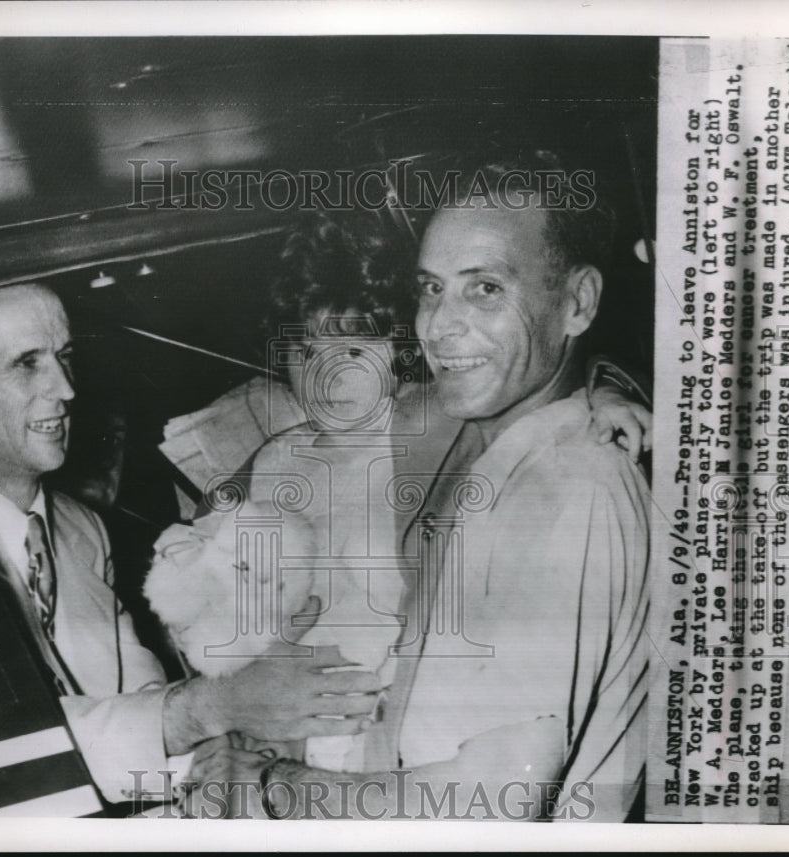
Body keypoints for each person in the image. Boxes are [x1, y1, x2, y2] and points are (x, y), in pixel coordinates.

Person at [189, 157, 650, 822]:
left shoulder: (569, 480)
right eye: (431, 290)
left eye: (485, 288)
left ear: (578, 301)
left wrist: (270, 784)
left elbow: (494, 801)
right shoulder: (483, 435)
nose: (440, 325)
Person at [0, 282, 382, 812]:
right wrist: (204, 711)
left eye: (64, 357)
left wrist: (206, 761)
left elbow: (131, 689)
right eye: (27, 363)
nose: (67, 389)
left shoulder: (80, 529)